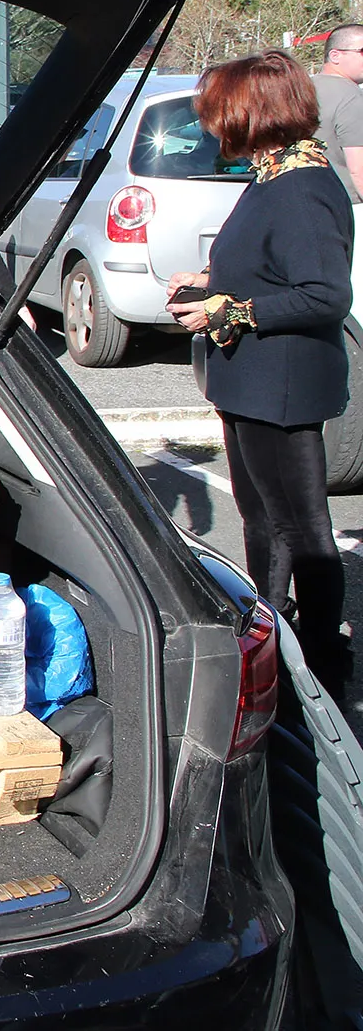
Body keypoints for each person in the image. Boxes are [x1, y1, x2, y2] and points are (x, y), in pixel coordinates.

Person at [167, 50, 354, 691]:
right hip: (251, 379)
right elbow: (269, 263)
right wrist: (210, 279)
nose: (213, 129)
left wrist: (231, 308)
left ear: (252, 114)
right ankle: (272, 631)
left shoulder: (301, 186)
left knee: (299, 526)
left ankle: (322, 657)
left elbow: (325, 294)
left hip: (284, 383)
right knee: (261, 519)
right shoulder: (271, 176)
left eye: (219, 115)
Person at [311, 23, 363, 200]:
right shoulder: (352, 97)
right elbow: (359, 170)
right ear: (335, 55)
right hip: (351, 205)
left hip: (311, 202)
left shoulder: (299, 90)